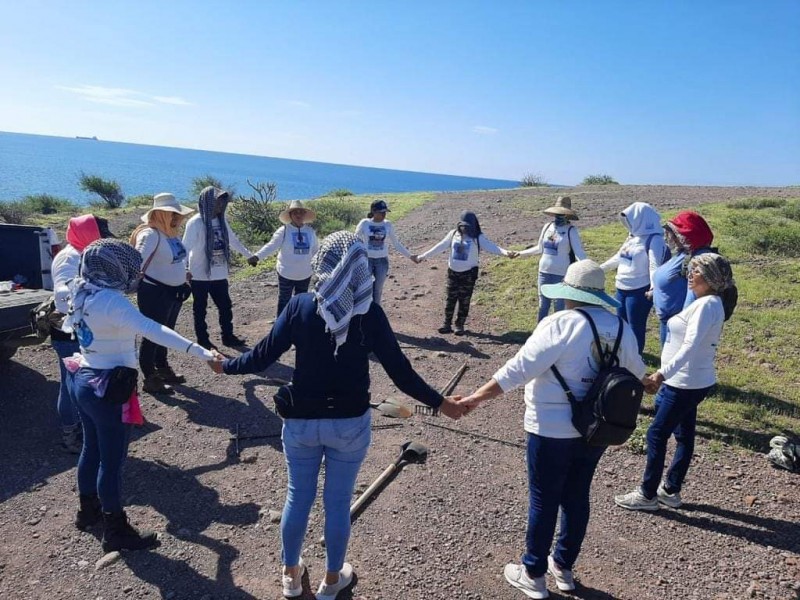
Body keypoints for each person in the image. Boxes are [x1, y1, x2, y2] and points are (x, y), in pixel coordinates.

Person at [210, 231, 465, 600]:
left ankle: (290, 575)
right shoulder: (370, 315)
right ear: (362, 269)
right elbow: (400, 370)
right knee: (337, 502)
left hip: (301, 422)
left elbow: (263, 356)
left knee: (298, 496)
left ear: (322, 264)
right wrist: (442, 403)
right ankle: (332, 581)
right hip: (350, 424)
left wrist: (227, 366)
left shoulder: (300, 306)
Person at [459, 260, 647, 599]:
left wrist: (475, 398)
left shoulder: (559, 324)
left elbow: (518, 370)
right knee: (577, 495)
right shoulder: (621, 328)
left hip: (550, 427)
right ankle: (563, 566)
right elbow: (637, 374)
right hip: (595, 429)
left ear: (569, 295)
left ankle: (533, 573)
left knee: (544, 499)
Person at [62, 239, 219, 552]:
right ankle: (115, 529)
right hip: (108, 388)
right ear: (115, 269)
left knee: (91, 449)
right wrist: (202, 352)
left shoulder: (80, 290)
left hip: (82, 378)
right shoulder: (112, 301)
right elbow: (153, 329)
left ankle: (87, 511)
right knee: (112, 461)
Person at [615, 253, 737, 512]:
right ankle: (670, 490)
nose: (690, 275)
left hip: (684, 382)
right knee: (683, 435)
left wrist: (661, 374)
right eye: (690, 270)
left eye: (696, 272)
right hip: (692, 380)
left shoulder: (706, 305)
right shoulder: (708, 302)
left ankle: (648, 495)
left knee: (656, 433)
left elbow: (690, 347)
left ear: (710, 278)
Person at [50, 214, 115, 452]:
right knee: (70, 384)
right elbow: (61, 298)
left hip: (81, 327)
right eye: (99, 236)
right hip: (69, 330)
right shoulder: (69, 257)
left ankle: (88, 426)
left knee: (84, 379)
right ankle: (71, 433)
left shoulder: (83, 253)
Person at [130, 193, 194, 394]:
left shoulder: (169, 234)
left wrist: (183, 275)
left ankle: (162, 367)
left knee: (167, 332)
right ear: (159, 214)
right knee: (153, 334)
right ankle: (150, 377)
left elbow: (176, 258)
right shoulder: (149, 234)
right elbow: (135, 262)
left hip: (173, 292)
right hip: (154, 293)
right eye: (171, 214)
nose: (176, 218)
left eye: (177, 214)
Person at [183, 186, 258, 350]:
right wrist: (184, 269)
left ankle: (228, 336)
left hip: (219, 273)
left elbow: (233, 240)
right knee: (200, 309)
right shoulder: (195, 222)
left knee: (225, 306)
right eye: (218, 202)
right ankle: (203, 340)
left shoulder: (221, 221)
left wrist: (248, 255)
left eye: (223, 202)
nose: (220, 205)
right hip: (200, 275)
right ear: (207, 202)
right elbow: (185, 248)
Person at [417, 211, 517, 335]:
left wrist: (506, 253)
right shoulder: (453, 234)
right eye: (462, 225)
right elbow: (440, 246)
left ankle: (459, 325)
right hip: (453, 273)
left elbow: (493, 247)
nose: (464, 228)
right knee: (450, 299)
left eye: (467, 226)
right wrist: (423, 256)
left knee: (464, 301)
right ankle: (447, 324)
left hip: (468, 274)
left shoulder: (478, 238)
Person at [601, 201, 668, 354]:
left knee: (635, 327)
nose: (628, 223)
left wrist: (653, 287)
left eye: (630, 219)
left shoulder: (655, 239)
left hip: (638, 292)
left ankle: (635, 362)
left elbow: (654, 265)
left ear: (641, 218)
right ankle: (622, 358)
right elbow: (618, 257)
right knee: (621, 326)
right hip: (621, 289)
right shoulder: (631, 237)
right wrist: (599, 269)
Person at [649, 211, 715, 346]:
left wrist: (681, 324)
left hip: (678, 325)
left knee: (674, 363)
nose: (672, 237)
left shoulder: (698, 260)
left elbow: (693, 296)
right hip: (669, 321)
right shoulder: (684, 253)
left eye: (676, 233)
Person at [517, 196, 587, 322]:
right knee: (543, 305)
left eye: (562, 213)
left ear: (567, 215)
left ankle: (558, 336)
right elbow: (539, 248)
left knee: (559, 307)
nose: (558, 216)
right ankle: (540, 334)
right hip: (543, 272)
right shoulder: (547, 227)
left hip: (561, 274)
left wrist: (588, 269)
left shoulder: (571, 230)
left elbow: (579, 253)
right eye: (557, 213)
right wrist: (520, 253)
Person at [255, 200, 319, 318]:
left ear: (305, 215)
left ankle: (298, 326)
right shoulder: (284, 231)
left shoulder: (310, 232)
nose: (298, 215)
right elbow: (271, 246)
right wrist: (257, 256)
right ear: (290, 215)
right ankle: (281, 326)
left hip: (304, 274)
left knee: (301, 302)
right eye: (295, 213)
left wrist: (322, 267)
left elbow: (316, 250)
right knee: (284, 300)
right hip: (286, 273)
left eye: (301, 212)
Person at [354, 199, 417, 305]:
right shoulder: (364, 223)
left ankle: (376, 313)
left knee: (378, 290)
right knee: (364, 288)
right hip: (366, 260)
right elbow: (354, 240)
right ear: (374, 212)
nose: (384, 214)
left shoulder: (388, 225)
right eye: (381, 212)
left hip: (382, 261)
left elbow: (396, 244)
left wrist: (410, 256)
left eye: (385, 212)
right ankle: (363, 312)